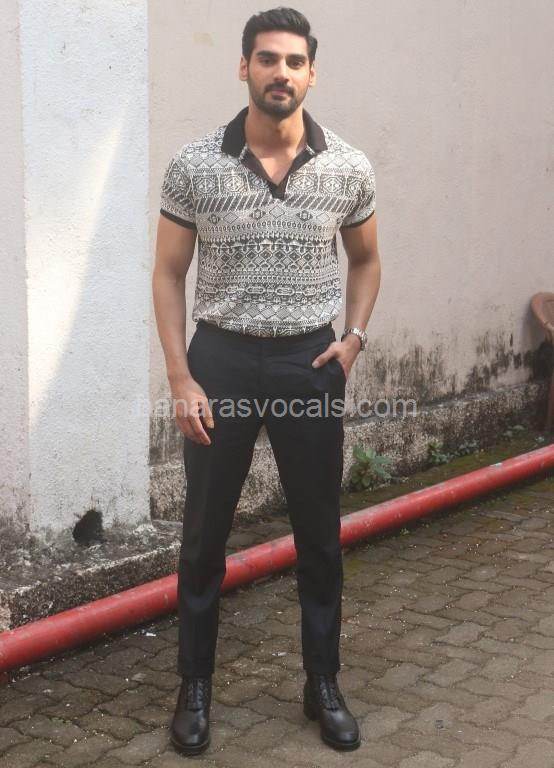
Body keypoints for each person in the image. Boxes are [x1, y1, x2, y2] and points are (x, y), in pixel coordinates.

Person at [152, 6, 381, 756]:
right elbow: (168, 273)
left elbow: (366, 261)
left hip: (308, 364)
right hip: (219, 362)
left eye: (293, 61)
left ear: (312, 73)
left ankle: (323, 683)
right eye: (267, 59)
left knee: (319, 533)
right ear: (244, 68)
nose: (280, 72)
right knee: (203, 537)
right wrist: (181, 375)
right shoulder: (195, 165)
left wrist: (352, 339)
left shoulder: (348, 167)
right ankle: (194, 687)